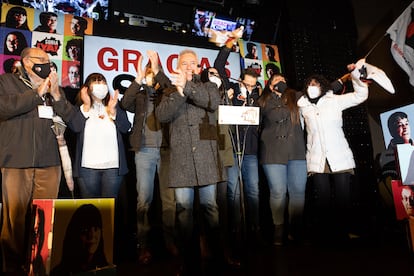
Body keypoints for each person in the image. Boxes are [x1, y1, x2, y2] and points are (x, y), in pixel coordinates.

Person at [155, 49, 226, 275]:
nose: (188, 66)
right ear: (177, 66)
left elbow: (212, 103)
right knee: (184, 211)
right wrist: (178, 91)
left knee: (210, 209)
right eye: (184, 63)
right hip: (182, 159)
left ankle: (217, 258)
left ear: (197, 67)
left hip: (206, 156)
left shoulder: (207, 86)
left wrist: (186, 87)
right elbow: (162, 116)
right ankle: (189, 262)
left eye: (192, 63)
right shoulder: (168, 91)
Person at [0, 46, 68, 274]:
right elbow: (4, 108)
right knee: (15, 220)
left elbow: (67, 120)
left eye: (49, 61)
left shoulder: (53, 88)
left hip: (49, 162)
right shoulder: (6, 82)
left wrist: (56, 95)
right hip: (16, 161)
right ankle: (12, 267)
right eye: (43, 60)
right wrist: (36, 93)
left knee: (45, 218)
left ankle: (39, 265)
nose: (48, 65)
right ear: (27, 62)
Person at [297, 63, 369, 243]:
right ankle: (326, 235)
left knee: (343, 198)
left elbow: (361, 95)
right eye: (309, 85)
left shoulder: (335, 100)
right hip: (317, 158)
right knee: (322, 200)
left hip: (339, 156)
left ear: (322, 86)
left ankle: (344, 233)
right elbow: (300, 127)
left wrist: (355, 76)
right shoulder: (303, 106)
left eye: (315, 84)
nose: (312, 87)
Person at [120, 51, 177, 264]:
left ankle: (170, 241)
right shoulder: (140, 94)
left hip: (166, 150)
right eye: (149, 73)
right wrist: (137, 78)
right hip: (143, 150)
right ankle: (143, 245)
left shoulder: (168, 93)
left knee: (169, 200)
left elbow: (172, 89)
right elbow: (125, 104)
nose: (151, 75)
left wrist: (157, 67)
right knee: (144, 200)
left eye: (154, 72)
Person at [55, 73, 131, 198]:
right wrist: (86, 105)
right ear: (87, 88)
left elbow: (125, 128)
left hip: (113, 167)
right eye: (96, 82)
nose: (101, 85)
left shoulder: (114, 106)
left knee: (109, 208)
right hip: (87, 168)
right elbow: (75, 127)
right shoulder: (80, 109)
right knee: (90, 207)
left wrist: (113, 112)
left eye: (103, 82)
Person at [256, 73, 307, 246]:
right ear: (270, 86)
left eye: (283, 80)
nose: (281, 83)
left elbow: (314, 94)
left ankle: (296, 228)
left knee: (298, 191)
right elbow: (273, 117)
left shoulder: (297, 97)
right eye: (276, 81)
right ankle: (279, 228)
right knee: (278, 192)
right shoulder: (264, 101)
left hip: (296, 150)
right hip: (272, 151)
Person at [50, 204, 110, 275]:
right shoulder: (58, 273)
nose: (91, 235)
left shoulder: (106, 270)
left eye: (96, 229)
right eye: (86, 230)